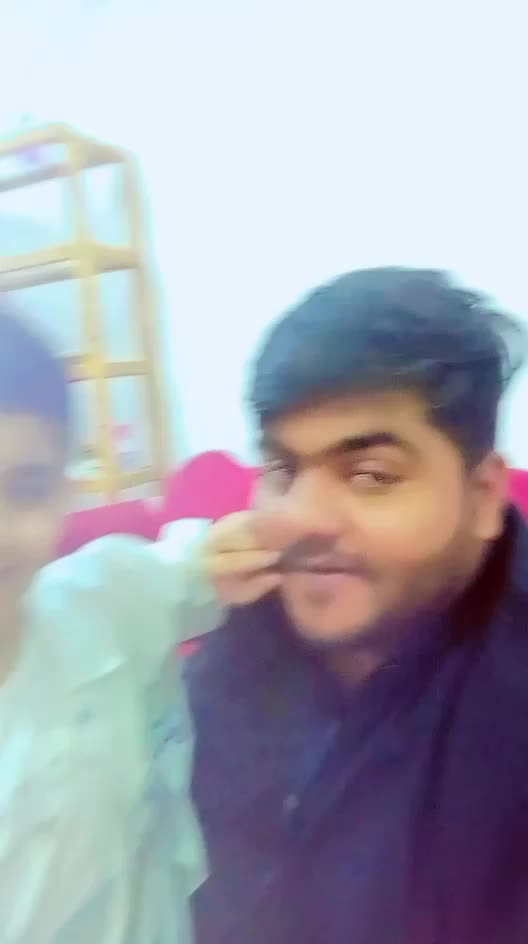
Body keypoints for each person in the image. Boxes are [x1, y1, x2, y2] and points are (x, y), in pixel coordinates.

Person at [188, 267, 528, 944]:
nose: (300, 517)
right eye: (282, 471)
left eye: (371, 476)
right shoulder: (237, 640)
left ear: (484, 496)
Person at [0, 306, 284, 944]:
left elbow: (188, 570)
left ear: (62, 491)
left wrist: (228, 549)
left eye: (25, 488)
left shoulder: (105, 596)